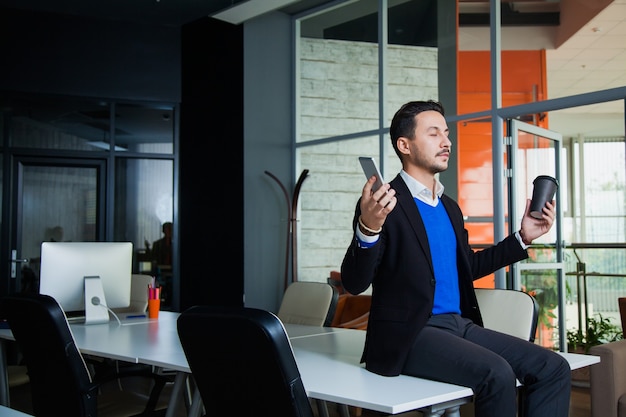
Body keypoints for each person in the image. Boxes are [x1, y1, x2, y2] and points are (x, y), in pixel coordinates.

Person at [340, 100, 570, 417]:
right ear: (404, 145)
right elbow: (354, 282)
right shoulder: (381, 204)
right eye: (434, 134)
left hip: (460, 325)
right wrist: (369, 227)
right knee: (497, 374)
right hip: (410, 335)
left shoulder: (449, 206)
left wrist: (523, 237)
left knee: (552, 366)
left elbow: (469, 267)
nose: (447, 142)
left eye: (446, 133)